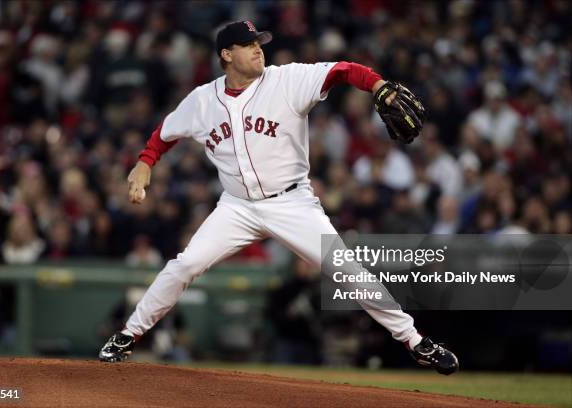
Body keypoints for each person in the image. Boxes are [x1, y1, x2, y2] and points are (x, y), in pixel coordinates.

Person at [99, 21, 458, 375]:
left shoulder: (285, 80)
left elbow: (342, 70)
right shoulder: (201, 101)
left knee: (347, 270)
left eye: (260, 42)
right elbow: (165, 132)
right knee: (186, 265)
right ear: (226, 54)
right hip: (237, 206)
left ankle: (415, 342)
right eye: (248, 44)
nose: (258, 48)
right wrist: (145, 163)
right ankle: (128, 335)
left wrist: (378, 84)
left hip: (291, 202)